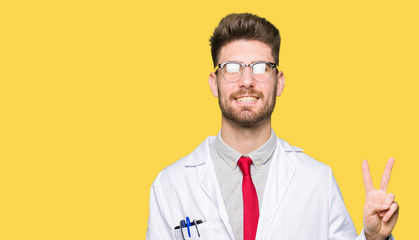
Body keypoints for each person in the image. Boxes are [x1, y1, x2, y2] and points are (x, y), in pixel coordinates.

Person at [146, 13, 399, 240]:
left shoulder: (318, 180)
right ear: (214, 83)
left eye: (260, 68)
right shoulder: (171, 185)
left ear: (279, 82)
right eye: (232, 68)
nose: (247, 81)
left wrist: (373, 239)